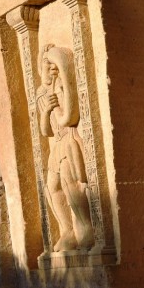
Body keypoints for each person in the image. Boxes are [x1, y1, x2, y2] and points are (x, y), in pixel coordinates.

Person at [37, 45, 94, 251]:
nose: (49, 69)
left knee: (72, 185)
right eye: (45, 65)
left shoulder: (61, 84)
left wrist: (57, 106)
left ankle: (87, 229)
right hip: (57, 145)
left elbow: (68, 117)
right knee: (52, 188)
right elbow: (45, 131)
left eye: (52, 64)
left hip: (69, 140)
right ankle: (67, 230)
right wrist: (46, 111)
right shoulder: (42, 92)